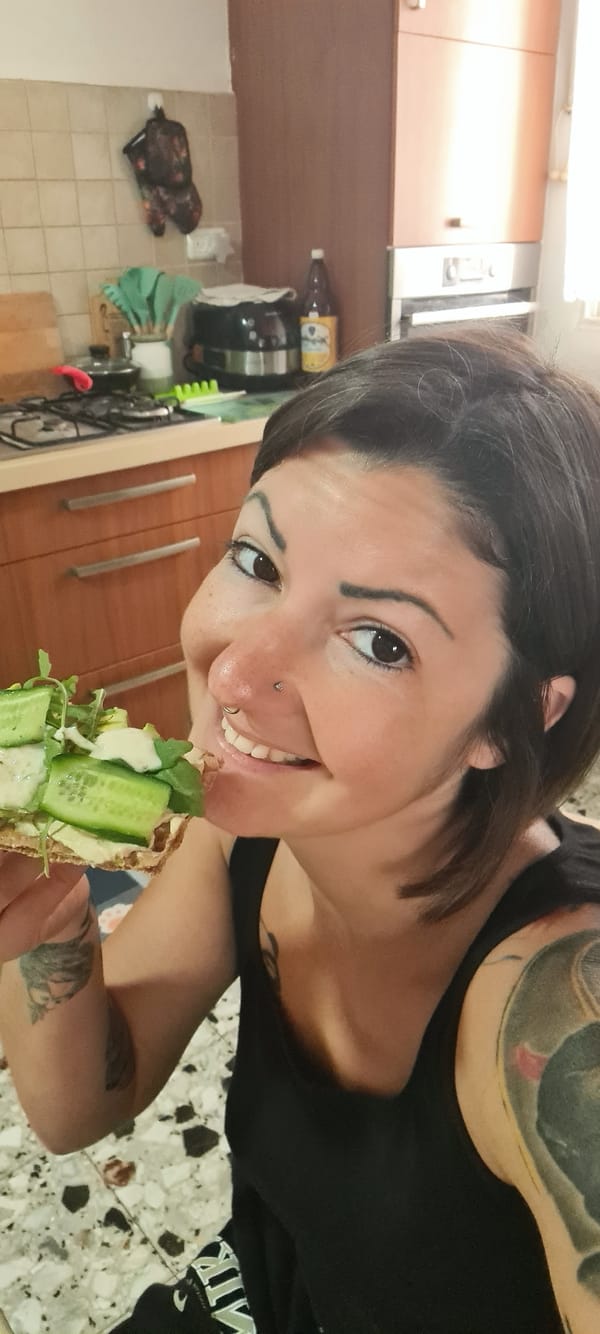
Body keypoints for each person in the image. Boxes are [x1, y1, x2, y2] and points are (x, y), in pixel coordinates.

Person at [1, 326, 600, 1334]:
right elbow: (81, 1105)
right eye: (257, 559)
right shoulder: (247, 829)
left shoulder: (558, 1005)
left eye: (379, 641)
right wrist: (52, 912)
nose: (234, 673)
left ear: (515, 719)